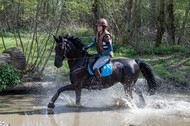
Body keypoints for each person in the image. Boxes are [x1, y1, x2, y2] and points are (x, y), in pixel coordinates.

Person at [84, 18, 114, 89]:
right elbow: (95, 43)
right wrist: (88, 47)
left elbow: (110, 49)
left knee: (95, 67)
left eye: (100, 26)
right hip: (99, 53)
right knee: (88, 59)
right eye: (98, 26)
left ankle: (99, 84)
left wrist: (102, 54)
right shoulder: (98, 33)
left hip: (106, 55)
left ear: (103, 27)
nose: (98, 27)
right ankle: (91, 79)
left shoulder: (107, 36)